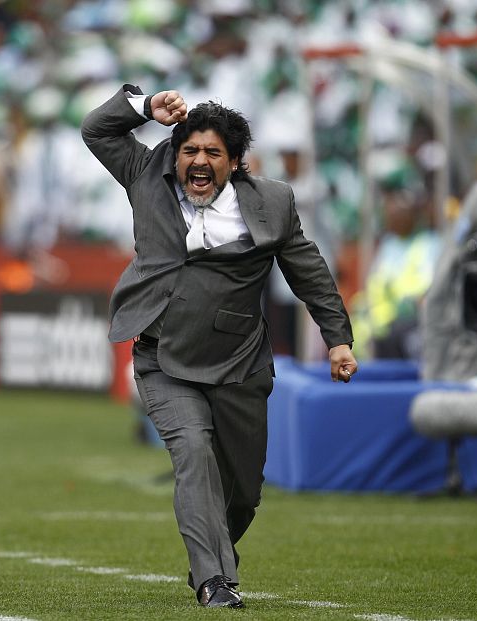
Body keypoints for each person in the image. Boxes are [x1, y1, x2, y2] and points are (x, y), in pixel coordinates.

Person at [81, 86, 357, 608]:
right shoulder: (146, 175)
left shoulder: (274, 203)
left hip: (239, 364)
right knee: (193, 454)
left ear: (234, 161)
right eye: (190, 151)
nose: (199, 162)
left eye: (212, 153)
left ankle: (211, 556)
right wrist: (144, 108)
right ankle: (213, 580)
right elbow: (96, 130)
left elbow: (310, 274)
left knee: (245, 493)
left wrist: (338, 339)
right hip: (163, 357)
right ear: (175, 154)